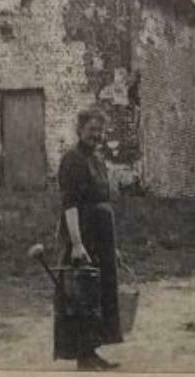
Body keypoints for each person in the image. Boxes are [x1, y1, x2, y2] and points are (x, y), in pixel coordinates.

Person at [55, 107, 123, 371]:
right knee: (81, 296)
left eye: (100, 131)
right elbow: (69, 205)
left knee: (99, 295)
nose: (97, 135)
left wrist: (112, 247)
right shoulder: (72, 160)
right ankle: (82, 358)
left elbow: (102, 200)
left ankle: (92, 353)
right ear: (80, 129)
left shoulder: (97, 159)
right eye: (92, 130)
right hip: (82, 234)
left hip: (101, 237)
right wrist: (77, 243)